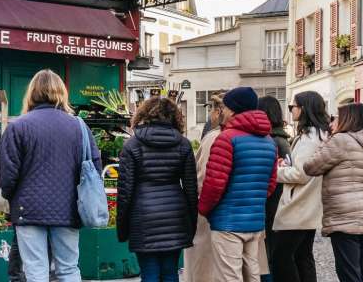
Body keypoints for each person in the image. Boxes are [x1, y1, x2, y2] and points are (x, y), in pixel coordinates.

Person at [0, 69, 101, 282]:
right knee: (69, 269)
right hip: (69, 209)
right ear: (61, 92)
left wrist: (12, 197)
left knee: (35, 270)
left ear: (31, 93)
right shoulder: (79, 127)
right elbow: (94, 168)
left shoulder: (18, 126)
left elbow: (6, 175)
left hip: (28, 209)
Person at [197, 87, 278, 282]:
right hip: (255, 220)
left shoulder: (226, 138)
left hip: (227, 221)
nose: (221, 111)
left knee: (229, 276)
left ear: (233, 110)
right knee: (252, 274)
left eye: (224, 107)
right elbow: (271, 183)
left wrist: (204, 209)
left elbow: (214, 184)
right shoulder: (269, 142)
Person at [117, 97, 198, 282]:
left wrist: (122, 229)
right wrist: (190, 224)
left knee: (149, 274)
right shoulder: (183, 145)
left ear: (144, 114)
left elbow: (125, 192)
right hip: (175, 215)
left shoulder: (132, 145)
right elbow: (191, 189)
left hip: (143, 217)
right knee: (170, 273)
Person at [304, 103, 363, 282]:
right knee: (361, 268)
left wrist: (326, 141)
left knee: (348, 270)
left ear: (347, 118)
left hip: (344, 213)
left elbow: (311, 167)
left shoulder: (340, 140)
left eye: (337, 117)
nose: (334, 120)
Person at [269, 91, 330, 282]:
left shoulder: (309, 138)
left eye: (292, 107)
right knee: (303, 256)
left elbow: (300, 174)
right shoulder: (319, 135)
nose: (290, 111)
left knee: (281, 258)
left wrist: (276, 172)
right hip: (307, 205)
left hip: (298, 205)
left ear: (303, 109)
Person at [184, 93, 224, 282]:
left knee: (203, 261)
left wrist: (199, 205)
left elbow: (204, 177)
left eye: (210, 110)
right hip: (237, 213)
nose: (209, 115)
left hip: (210, 209)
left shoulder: (213, 138)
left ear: (217, 112)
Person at [258, 96, 292, 282]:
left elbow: (285, 171)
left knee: (268, 252)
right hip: (277, 202)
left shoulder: (275, 140)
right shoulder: (281, 138)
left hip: (273, 202)